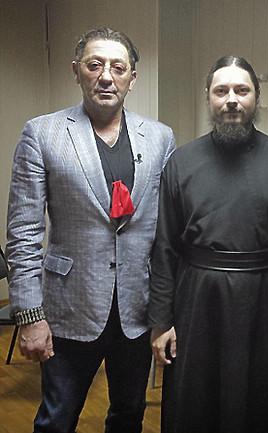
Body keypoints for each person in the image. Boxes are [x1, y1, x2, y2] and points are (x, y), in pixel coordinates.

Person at [6, 27, 175, 433]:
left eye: (118, 67)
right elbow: (24, 232)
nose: (106, 76)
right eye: (94, 65)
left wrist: (166, 312)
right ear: (76, 71)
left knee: (129, 415)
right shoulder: (42, 133)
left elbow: (167, 234)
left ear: (132, 77)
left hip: (137, 310)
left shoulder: (160, 138)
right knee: (57, 419)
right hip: (69, 309)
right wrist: (30, 316)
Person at [148, 55, 268, 433]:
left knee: (261, 405)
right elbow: (164, 248)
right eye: (221, 91)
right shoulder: (181, 162)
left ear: (256, 96)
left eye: (242, 90)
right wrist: (161, 322)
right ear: (208, 96)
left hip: (266, 301)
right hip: (196, 301)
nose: (232, 100)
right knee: (196, 404)